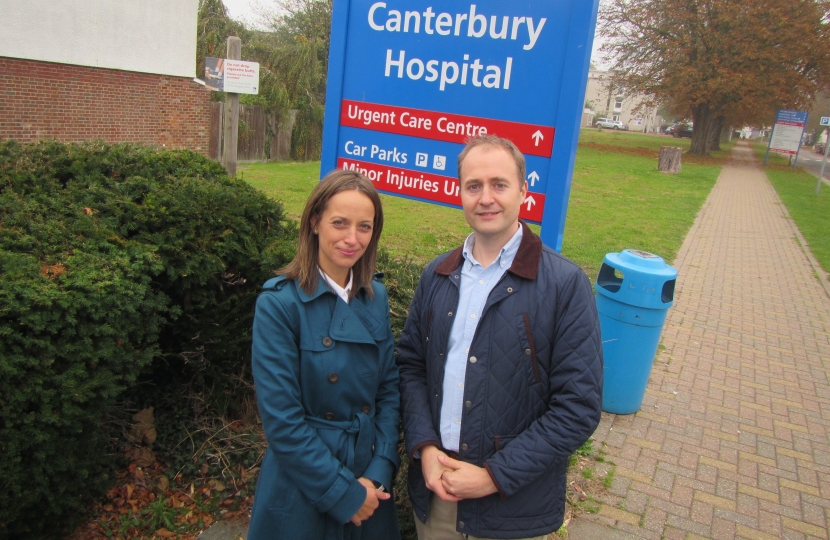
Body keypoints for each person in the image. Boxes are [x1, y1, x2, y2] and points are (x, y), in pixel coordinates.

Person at [396, 135, 603, 539]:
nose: (485, 197)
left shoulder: (564, 284)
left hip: (514, 507)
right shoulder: (437, 275)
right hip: (439, 494)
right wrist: (424, 446)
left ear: (524, 192)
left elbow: (577, 407)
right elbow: (411, 367)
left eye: (499, 184)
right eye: (473, 186)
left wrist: (495, 475)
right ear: (460, 192)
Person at [248, 170, 401, 540]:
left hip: (368, 481)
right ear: (315, 222)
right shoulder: (280, 305)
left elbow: (389, 390)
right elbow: (283, 422)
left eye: (364, 226)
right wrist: (345, 495)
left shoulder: (374, 296)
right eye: (339, 223)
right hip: (305, 483)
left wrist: (379, 469)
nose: (352, 239)